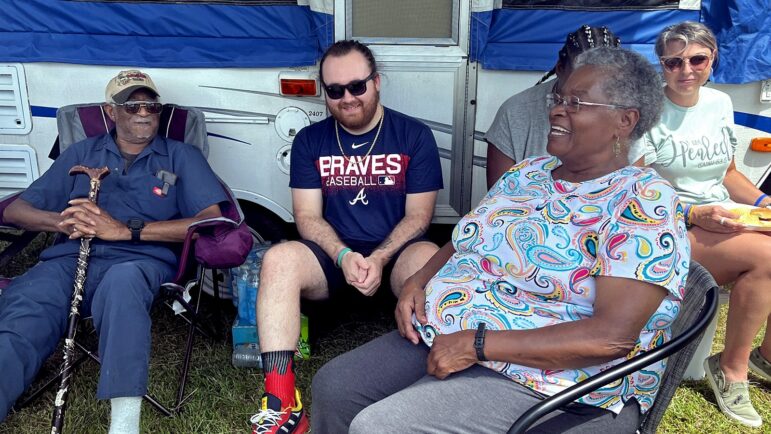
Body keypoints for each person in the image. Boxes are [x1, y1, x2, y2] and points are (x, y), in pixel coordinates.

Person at [312, 47, 690, 433]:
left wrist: (476, 345)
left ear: (625, 121)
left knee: (380, 427)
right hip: (452, 331)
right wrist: (417, 281)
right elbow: (466, 240)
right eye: (558, 98)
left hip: (554, 379)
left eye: (576, 102)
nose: (557, 110)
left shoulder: (643, 201)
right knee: (336, 386)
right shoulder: (528, 174)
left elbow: (611, 338)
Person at [0, 70, 226, 433]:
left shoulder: (181, 155)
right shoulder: (82, 152)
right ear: (111, 111)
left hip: (141, 259)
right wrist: (62, 222)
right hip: (69, 258)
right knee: (26, 308)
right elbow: (16, 210)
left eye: (152, 105)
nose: (144, 112)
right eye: (132, 104)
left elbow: (209, 220)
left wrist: (125, 230)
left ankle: (124, 425)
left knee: (123, 288)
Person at [248, 40, 443, 434]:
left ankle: (431, 381)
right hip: (334, 260)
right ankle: (282, 401)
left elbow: (420, 217)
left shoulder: (413, 135)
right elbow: (306, 217)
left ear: (377, 82)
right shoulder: (310, 140)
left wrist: (380, 258)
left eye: (357, 86)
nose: (347, 98)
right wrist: (343, 255)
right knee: (278, 258)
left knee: (430, 257)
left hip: (394, 258)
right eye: (335, 91)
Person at [632, 21, 771, 428]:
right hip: (667, 227)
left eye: (697, 59)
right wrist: (694, 214)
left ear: (713, 60)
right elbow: (636, 193)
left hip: (719, 215)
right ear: (661, 66)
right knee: (766, 256)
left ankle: (765, 359)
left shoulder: (718, 103)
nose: (686, 69)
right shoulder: (645, 112)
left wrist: (764, 202)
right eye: (673, 61)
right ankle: (731, 371)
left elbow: (727, 173)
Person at [484, 25, 621, 188]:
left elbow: (635, 197)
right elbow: (499, 201)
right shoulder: (514, 113)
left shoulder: (622, 115)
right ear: (560, 69)